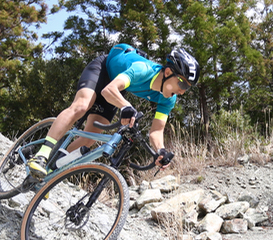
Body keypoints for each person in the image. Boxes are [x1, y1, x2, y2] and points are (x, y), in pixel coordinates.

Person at [26, 43, 199, 179]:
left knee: (88, 139)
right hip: (103, 70)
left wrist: (160, 150)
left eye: (187, 88)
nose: (183, 91)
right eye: (182, 84)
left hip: (117, 87)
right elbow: (109, 90)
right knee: (81, 106)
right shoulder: (143, 70)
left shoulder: (168, 98)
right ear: (168, 72)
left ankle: (48, 170)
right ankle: (41, 156)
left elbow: (156, 131)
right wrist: (126, 107)